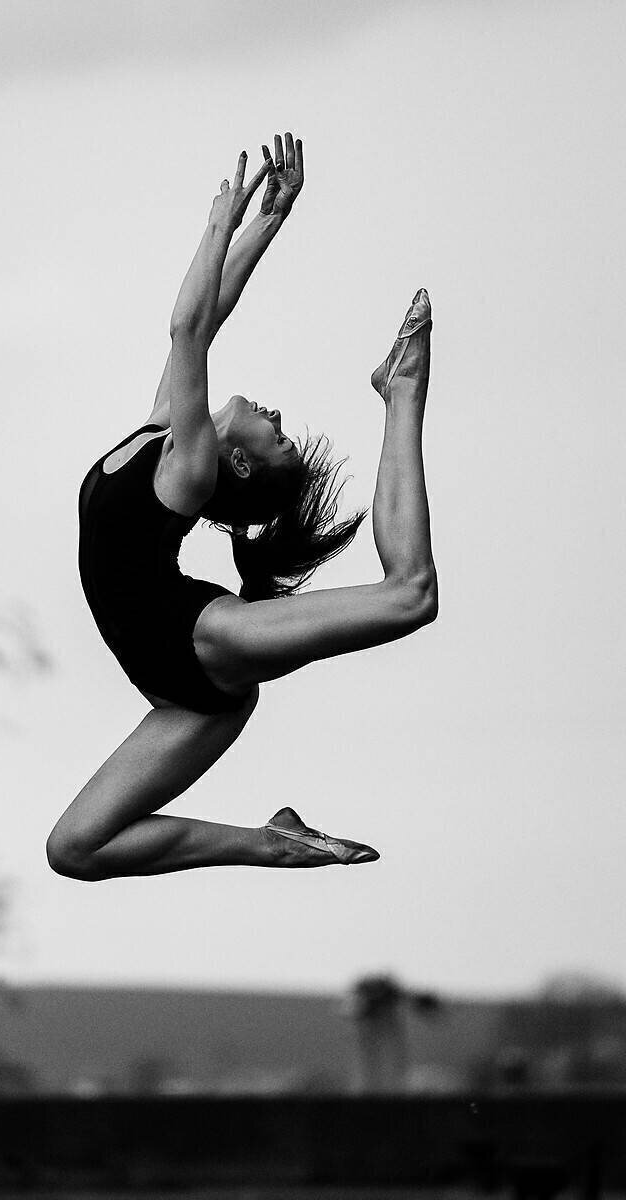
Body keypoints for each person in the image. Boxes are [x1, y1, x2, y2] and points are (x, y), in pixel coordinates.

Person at [47, 133, 437, 882]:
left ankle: (402, 392)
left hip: (203, 645)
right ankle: (275, 843)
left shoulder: (189, 468)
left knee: (412, 596)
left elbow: (188, 328)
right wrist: (270, 218)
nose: (275, 414)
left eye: (277, 437)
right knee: (74, 850)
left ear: (239, 461)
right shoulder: (165, 431)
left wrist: (217, 225)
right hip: (184, 695)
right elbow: (208, 317)